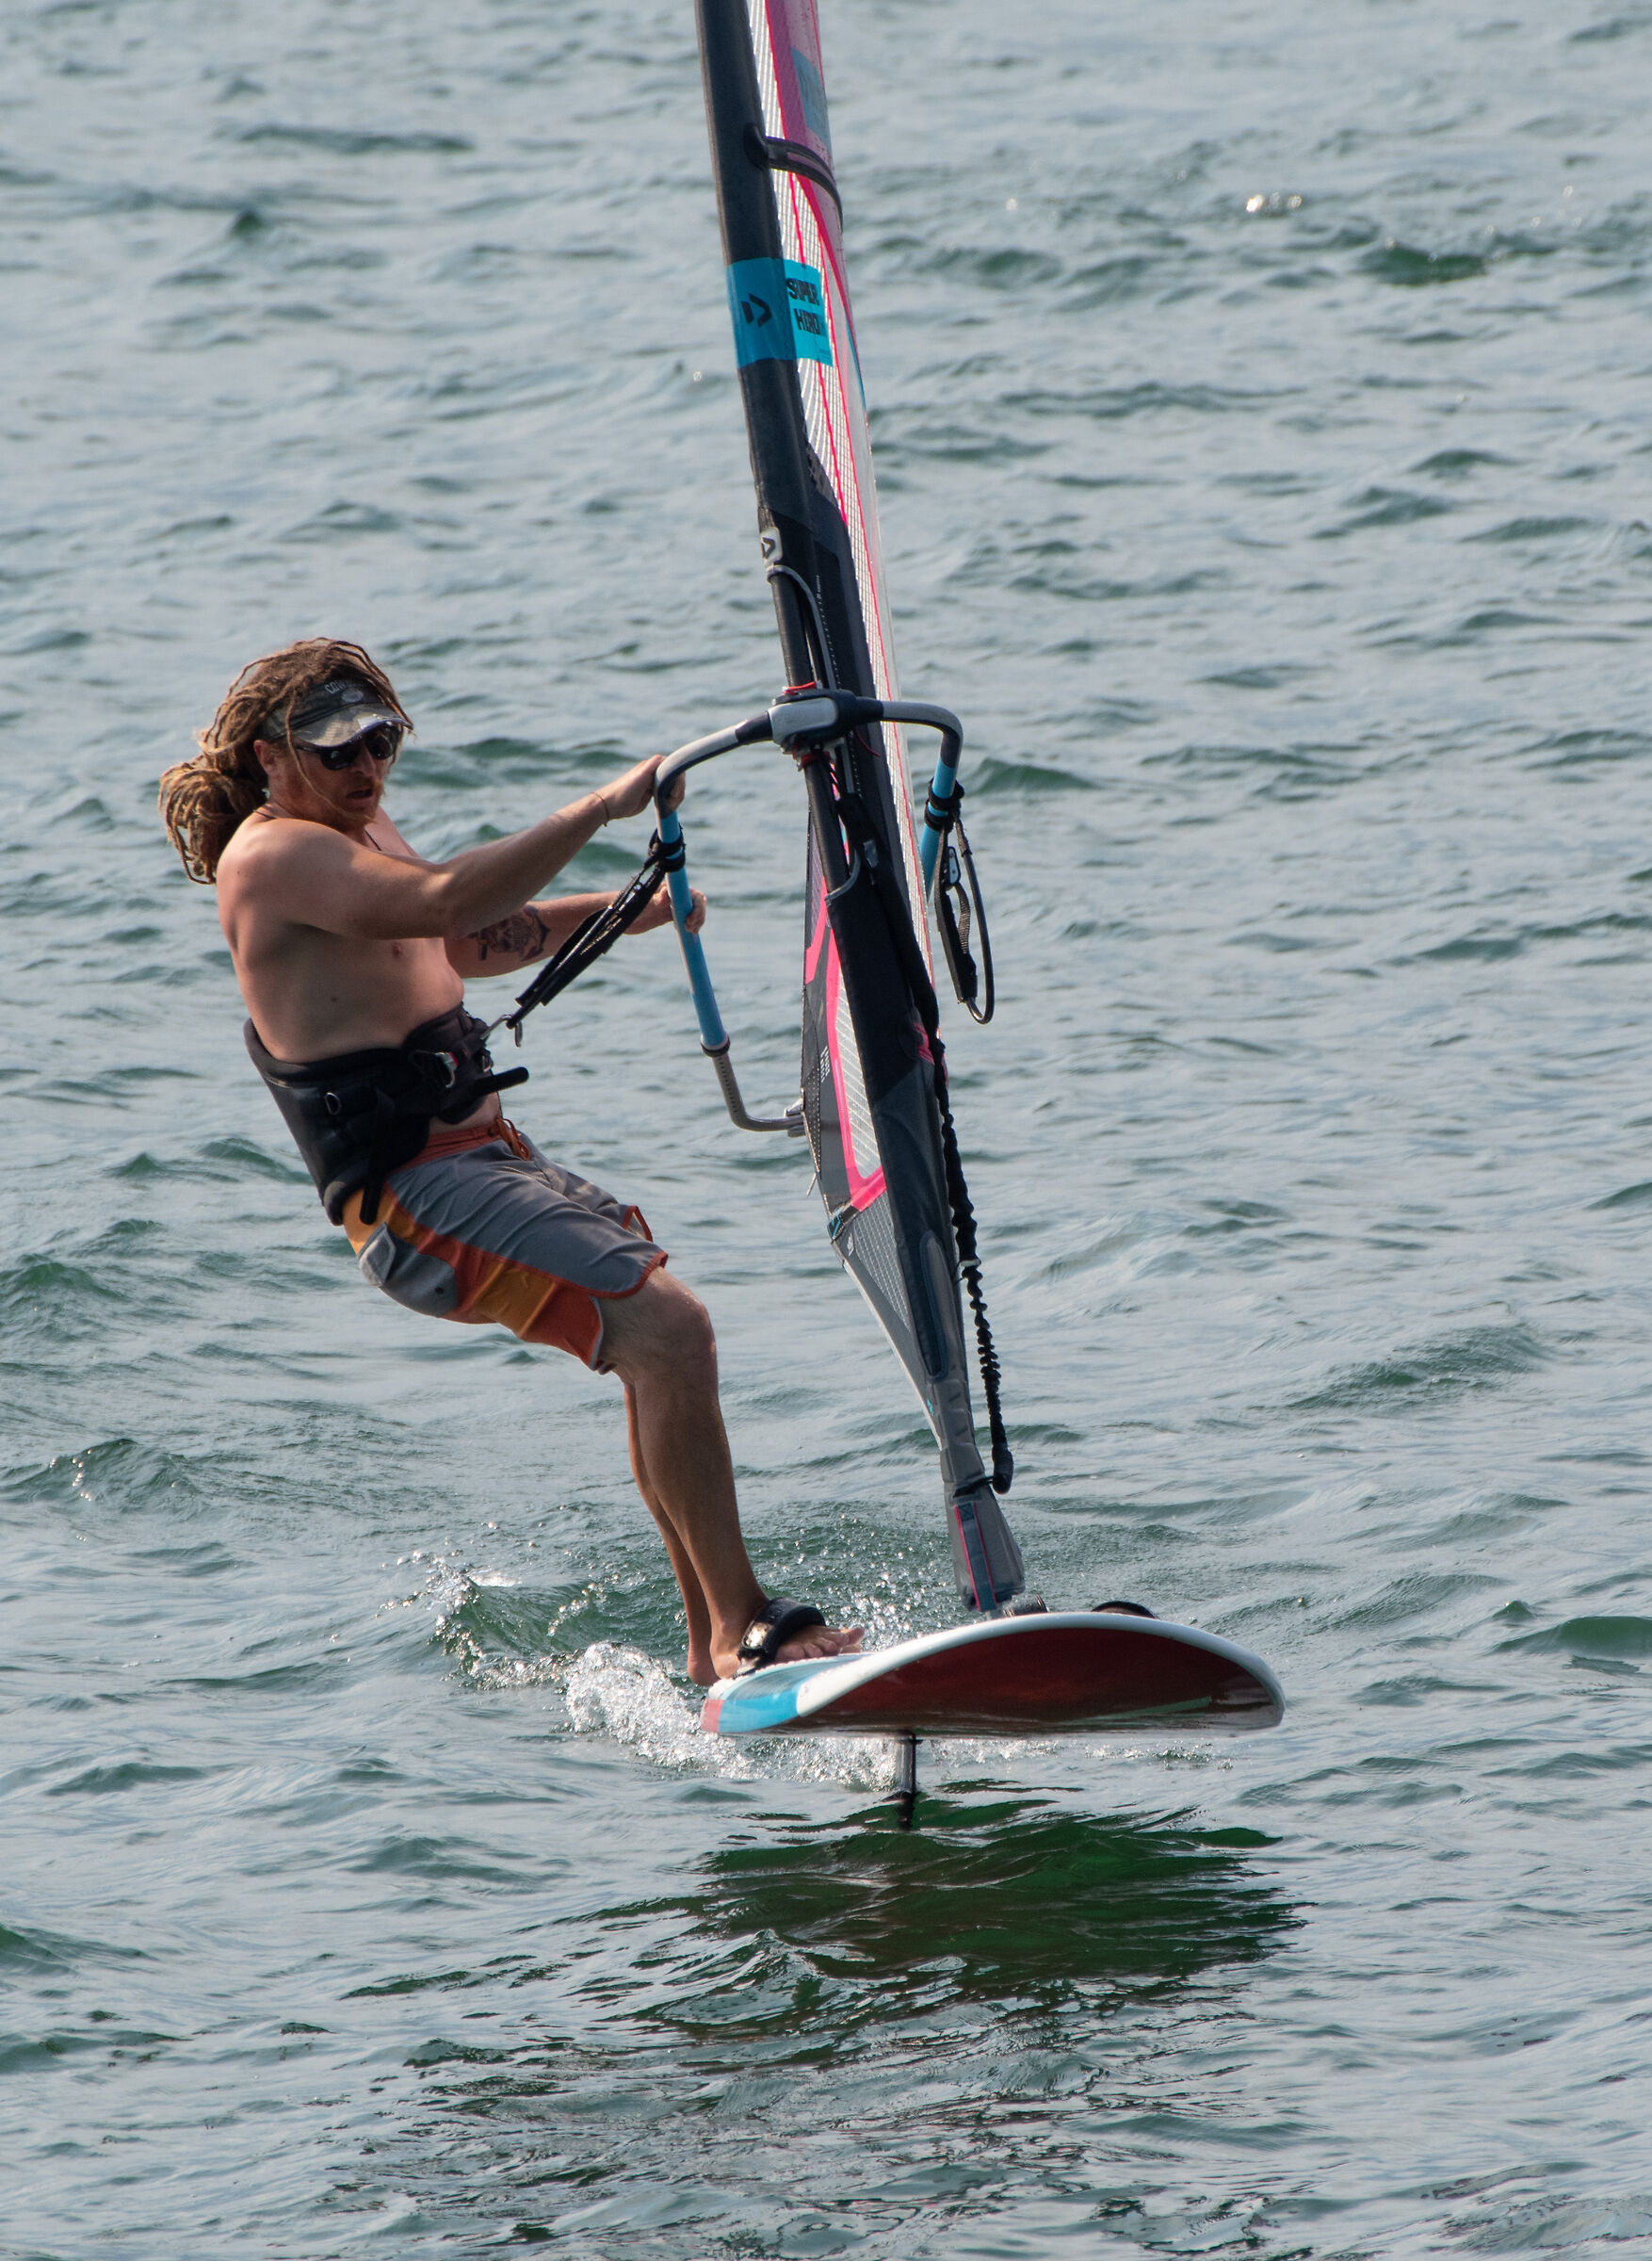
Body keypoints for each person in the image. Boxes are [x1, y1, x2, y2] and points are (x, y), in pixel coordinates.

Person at [158, 637, 862, 1686]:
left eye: (379, 743)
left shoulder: (354, 826)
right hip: (414, 1196)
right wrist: (600, 809)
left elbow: (455, 944)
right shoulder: (271, 857)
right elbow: (445, 899)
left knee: (657, 1345)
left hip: (484, 1159)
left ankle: (709, 1649)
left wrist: (616, 914)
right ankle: (740, 1621)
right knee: (669, 1329)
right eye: (336, 751)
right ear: (270, 757)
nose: (365, 768)